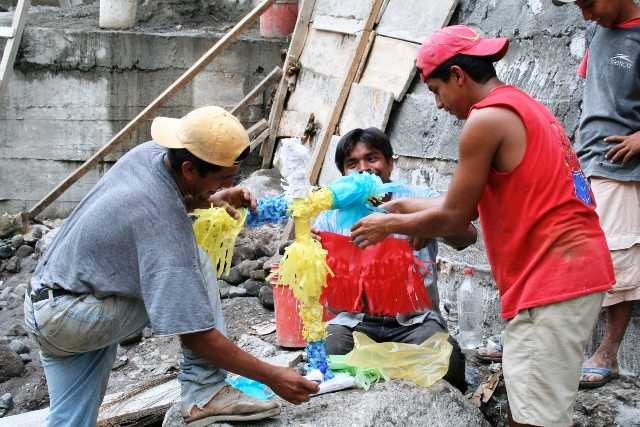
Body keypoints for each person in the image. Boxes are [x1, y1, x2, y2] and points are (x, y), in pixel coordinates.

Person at [349, 26, 615, 427]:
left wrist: (388, 227)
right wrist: (403, 206)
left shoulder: (484, 121)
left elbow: (456, 218)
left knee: (537, 418)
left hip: (552, 277)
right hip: (568, 270)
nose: (438, 105)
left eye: (437, 91)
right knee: (527, 407)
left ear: (458, 75)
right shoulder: (521, 106)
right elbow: (465, 206)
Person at [24, 106, 319, 427]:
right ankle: (205, 392)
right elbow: (196, 334)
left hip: (47, 305)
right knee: (194, 269)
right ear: (191, 169)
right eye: (222, 178)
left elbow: (169, 193)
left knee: (70, 422)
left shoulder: (152, 155)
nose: (230, 183)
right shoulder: (163, 222)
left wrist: (213, 196)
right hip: (72, 316)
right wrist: (273, 375)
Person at [312, 127, 477, 393]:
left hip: (415, 323)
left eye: (372, 158)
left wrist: (417, 222)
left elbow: (467, 236)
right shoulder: (331, 215)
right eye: (352, 164)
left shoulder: (419, 198)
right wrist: (309, 253)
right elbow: (316, 283)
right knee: (327, 354)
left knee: (449, 365)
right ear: (343, 174)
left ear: (390, 163)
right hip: (355, 322)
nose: (364, 169)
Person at [552, 0, 640, 390]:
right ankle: (561, 346)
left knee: (617, 259)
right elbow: (595, 98)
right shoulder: (597, 31)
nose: (586, 14)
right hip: (585, 165)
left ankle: (608, 353)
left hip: (621, 169)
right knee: (573, 253)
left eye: (589, 3)